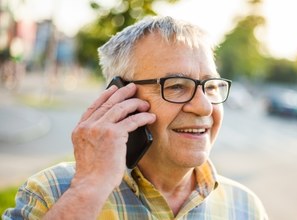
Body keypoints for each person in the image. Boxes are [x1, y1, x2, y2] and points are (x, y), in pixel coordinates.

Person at [3, 16, 268, 219]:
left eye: (210, 87)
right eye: (176, 85)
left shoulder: (245, 207)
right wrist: (88, 189)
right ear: (119, 99)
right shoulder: (52, 193)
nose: (204, 107)